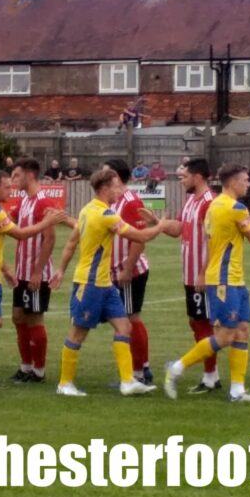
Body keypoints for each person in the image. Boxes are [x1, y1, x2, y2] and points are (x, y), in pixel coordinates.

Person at [49, 169, 167, 397]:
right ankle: (64, 384)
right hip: (90, 283)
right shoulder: (105, 215)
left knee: (124, 327)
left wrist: (61, 269)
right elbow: (139, 237)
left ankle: (127, 382)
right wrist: (159, 225)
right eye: (116, 186)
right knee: (77, 333)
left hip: (105, 285)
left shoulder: (86, 210)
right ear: (104, 189)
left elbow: (72, 242)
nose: (119, 191)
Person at [164, 163, 250, 403]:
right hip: (225, 280)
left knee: (242, 331)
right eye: (245, 180)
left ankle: (237, 391)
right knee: (225, 336)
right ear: (232, 183)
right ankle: (176, 367)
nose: (248, 184)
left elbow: (213, 244)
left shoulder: (214, 206)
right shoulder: (235, 208)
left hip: (231, 277)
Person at [0, 170, 64, 389]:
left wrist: (6, 270)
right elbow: (19, 234)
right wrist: (47, 221)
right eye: (7, 186)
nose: (11, 189)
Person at [159, 158, 221, 393]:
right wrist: (159, 224)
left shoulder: (209, 203)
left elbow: (213, 241)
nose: (181, 179)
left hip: (201, 276)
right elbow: (179, 230)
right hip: (190, 274)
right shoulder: (190, 201)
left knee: (204, 323)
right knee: (196, 322)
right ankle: (211, 376)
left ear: (198, 176)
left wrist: (204, 273)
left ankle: (211, 378)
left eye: (184, 175)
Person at [104, 159, 156, 387]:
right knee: (124, 320)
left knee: (130, 319)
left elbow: (138, 239)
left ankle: (139, 371)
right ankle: (139, 368)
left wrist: (127, 268)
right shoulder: (112, 200)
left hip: (130, 271)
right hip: (116, 271)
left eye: (106, 172)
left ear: (116, 175)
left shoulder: (131, 201)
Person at [8, 159, 56, 384]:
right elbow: (9, 221)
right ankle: (25, 366)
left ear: (29, 175)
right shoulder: (25, 201)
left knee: (35, 318)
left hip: (36, 273)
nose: (13, 180)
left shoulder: (43, 201)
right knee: (18, 317)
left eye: (16, 175)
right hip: (21, 272)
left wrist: (37, 272)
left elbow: (49, 238)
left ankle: (38, 371)